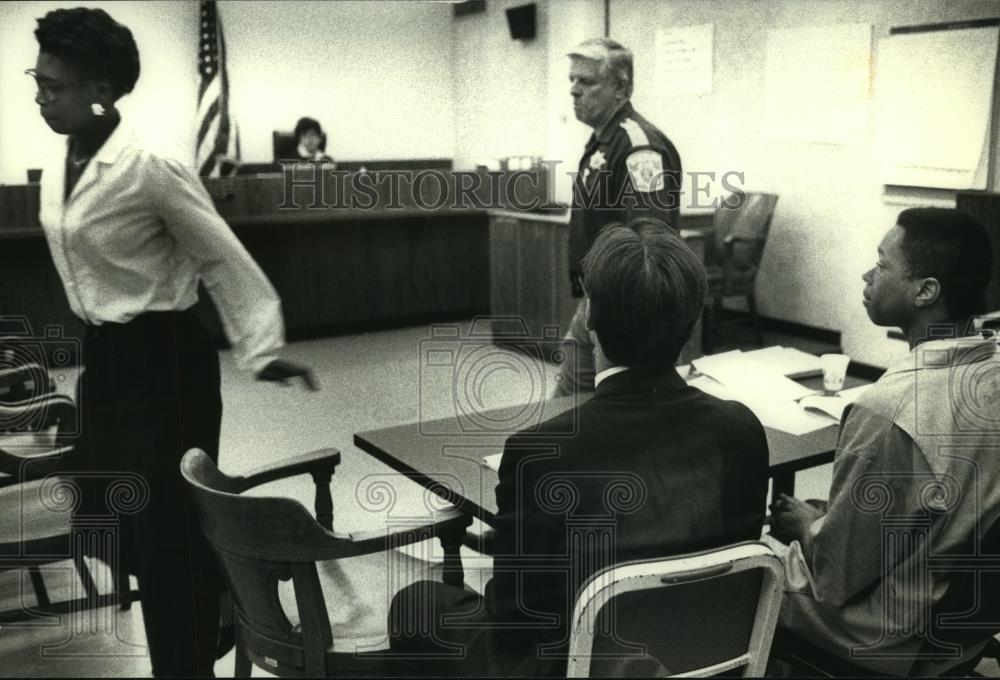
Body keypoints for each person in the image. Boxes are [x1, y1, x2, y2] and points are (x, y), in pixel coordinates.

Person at [30, 8, 315, 676]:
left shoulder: (149, 168)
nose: (41, 96)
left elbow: (222, 257)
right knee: (108, 510)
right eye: (35, 82)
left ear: (101, 88)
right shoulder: (59, 165)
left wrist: (261, 347)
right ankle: (219, 598)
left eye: (55, 85)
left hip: (164, 364)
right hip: (105, 360)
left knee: (162, 535)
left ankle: (184, 660)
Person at [388, 219, 769, 676]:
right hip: (703, 651)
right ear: (691, 327)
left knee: (416, 603)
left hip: (578, 664)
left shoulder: (540, 451)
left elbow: (513, 623)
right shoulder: (743, 429)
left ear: (588, 318)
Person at [769, 208, 1000, 675]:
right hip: (965, 626)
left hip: (887, 634)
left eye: (881, 264)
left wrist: (811, 528)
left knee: (752, 560)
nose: (867, 275)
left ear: (925, 291)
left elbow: (836, 578)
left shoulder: (887, 410)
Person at [553, 38, 684, 398]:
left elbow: (649, 233)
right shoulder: (604, 141)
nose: (574, 91)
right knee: (573, 404)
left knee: (600, 407)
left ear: (621, 87)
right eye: (572, 80)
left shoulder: (639, 146)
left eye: (588, 82)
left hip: (624, 306)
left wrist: (620, 312)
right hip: (599, 296)